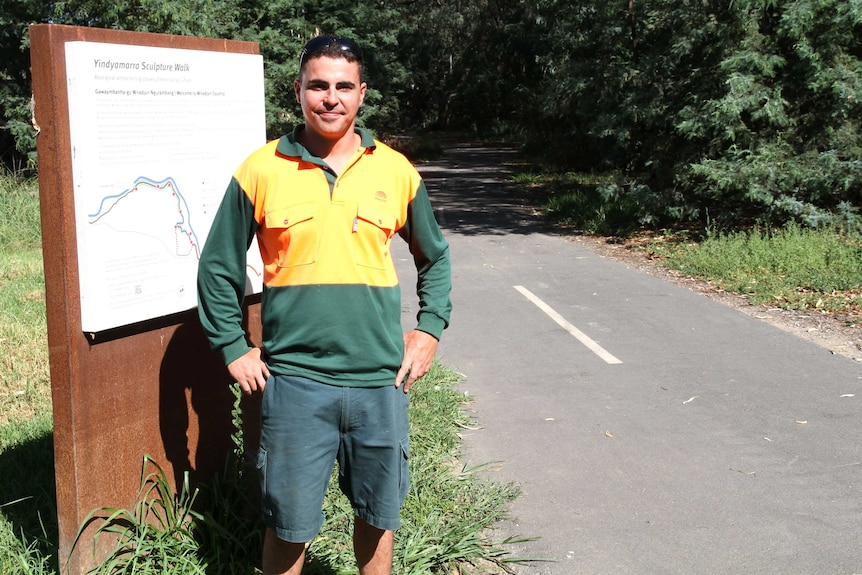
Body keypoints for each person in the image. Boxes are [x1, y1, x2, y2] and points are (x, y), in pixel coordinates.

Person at [196, 35, 452, 575]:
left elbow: (435, 257)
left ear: (362, 94)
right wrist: (232, 347)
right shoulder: (261, 170)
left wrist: (429, 330)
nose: (330, 98)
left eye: (342, 87)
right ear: (299, 91)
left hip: (381, 379)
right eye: (318, 85)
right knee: (287, 522)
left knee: (378, 515)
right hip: (294, 382)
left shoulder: (397, 170)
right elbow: (218, 266)